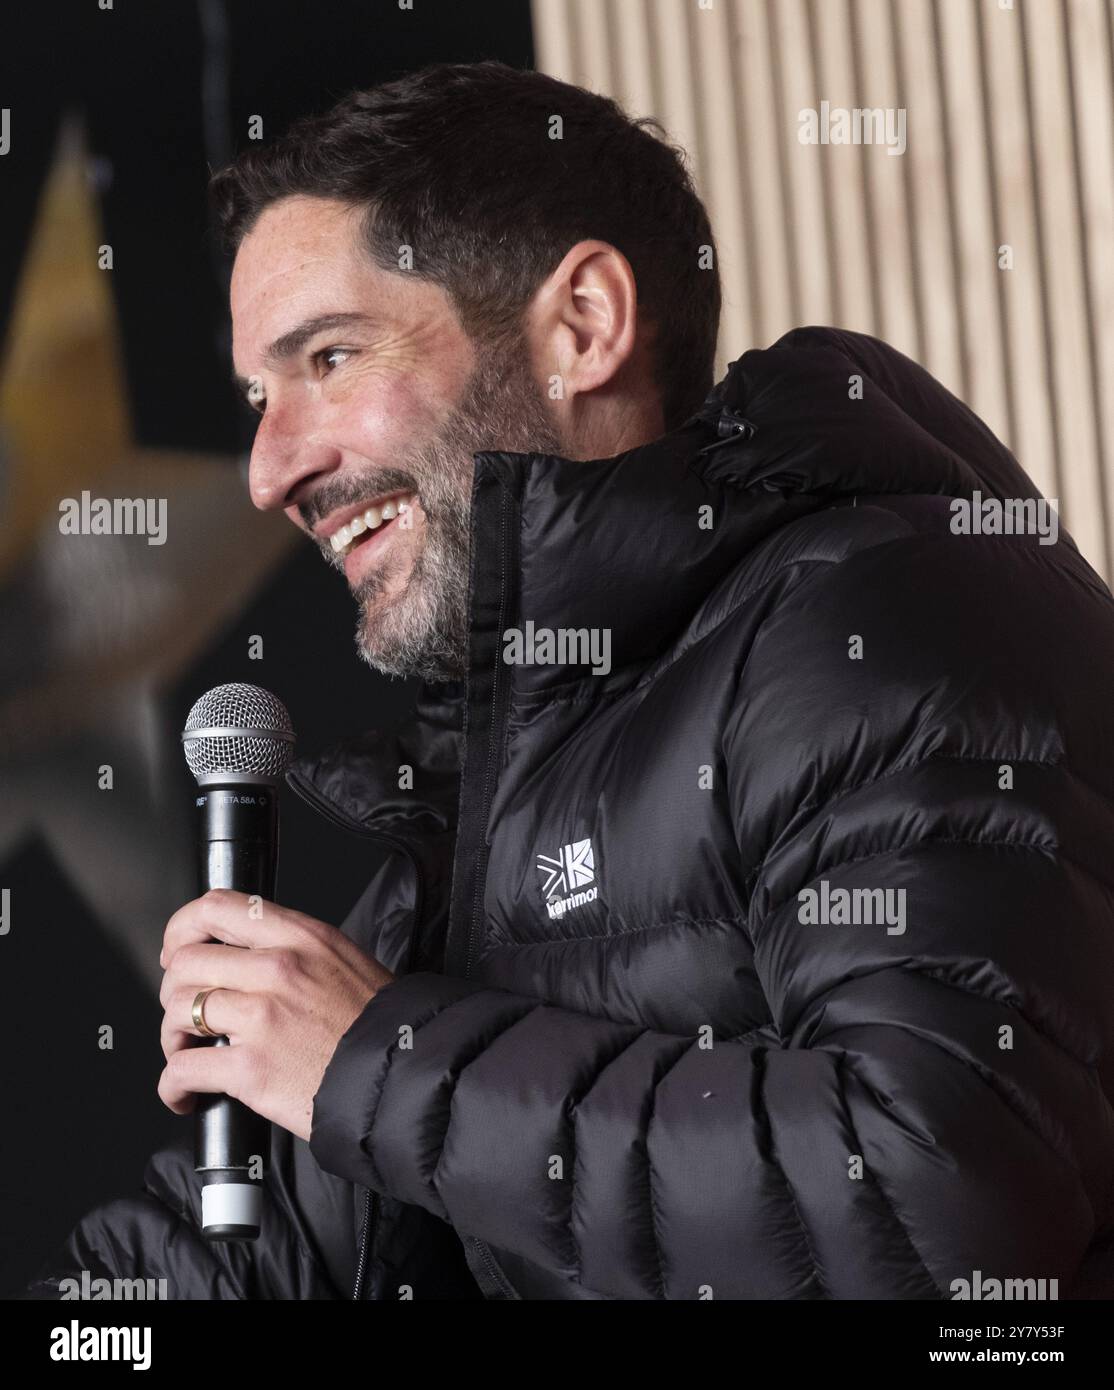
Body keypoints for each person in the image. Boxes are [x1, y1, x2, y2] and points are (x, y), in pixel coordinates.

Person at [24, 60, 1114, 1301]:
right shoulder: (489, 789)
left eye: (329, 356)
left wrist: (377, 1064)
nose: (270, 472)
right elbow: (256, 1258)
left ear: (583, 327)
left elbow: (936, 1203)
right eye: (259, 398)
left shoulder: (883, 617)